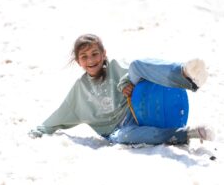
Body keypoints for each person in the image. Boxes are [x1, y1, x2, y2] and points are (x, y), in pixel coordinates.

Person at [28, 34, 215, 145]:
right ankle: (186, 133)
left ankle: (185, 74)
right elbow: (58, 118)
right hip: (122, 127)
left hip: (137, 105)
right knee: (122, 137)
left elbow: (142, 73)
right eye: (84, 57)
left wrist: (125, 82)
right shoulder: (80, 90)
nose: (91, 60)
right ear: (78, 61)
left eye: (95, 54)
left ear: (104, 54)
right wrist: (39, 130)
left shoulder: (116, 66)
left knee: (136, 65)